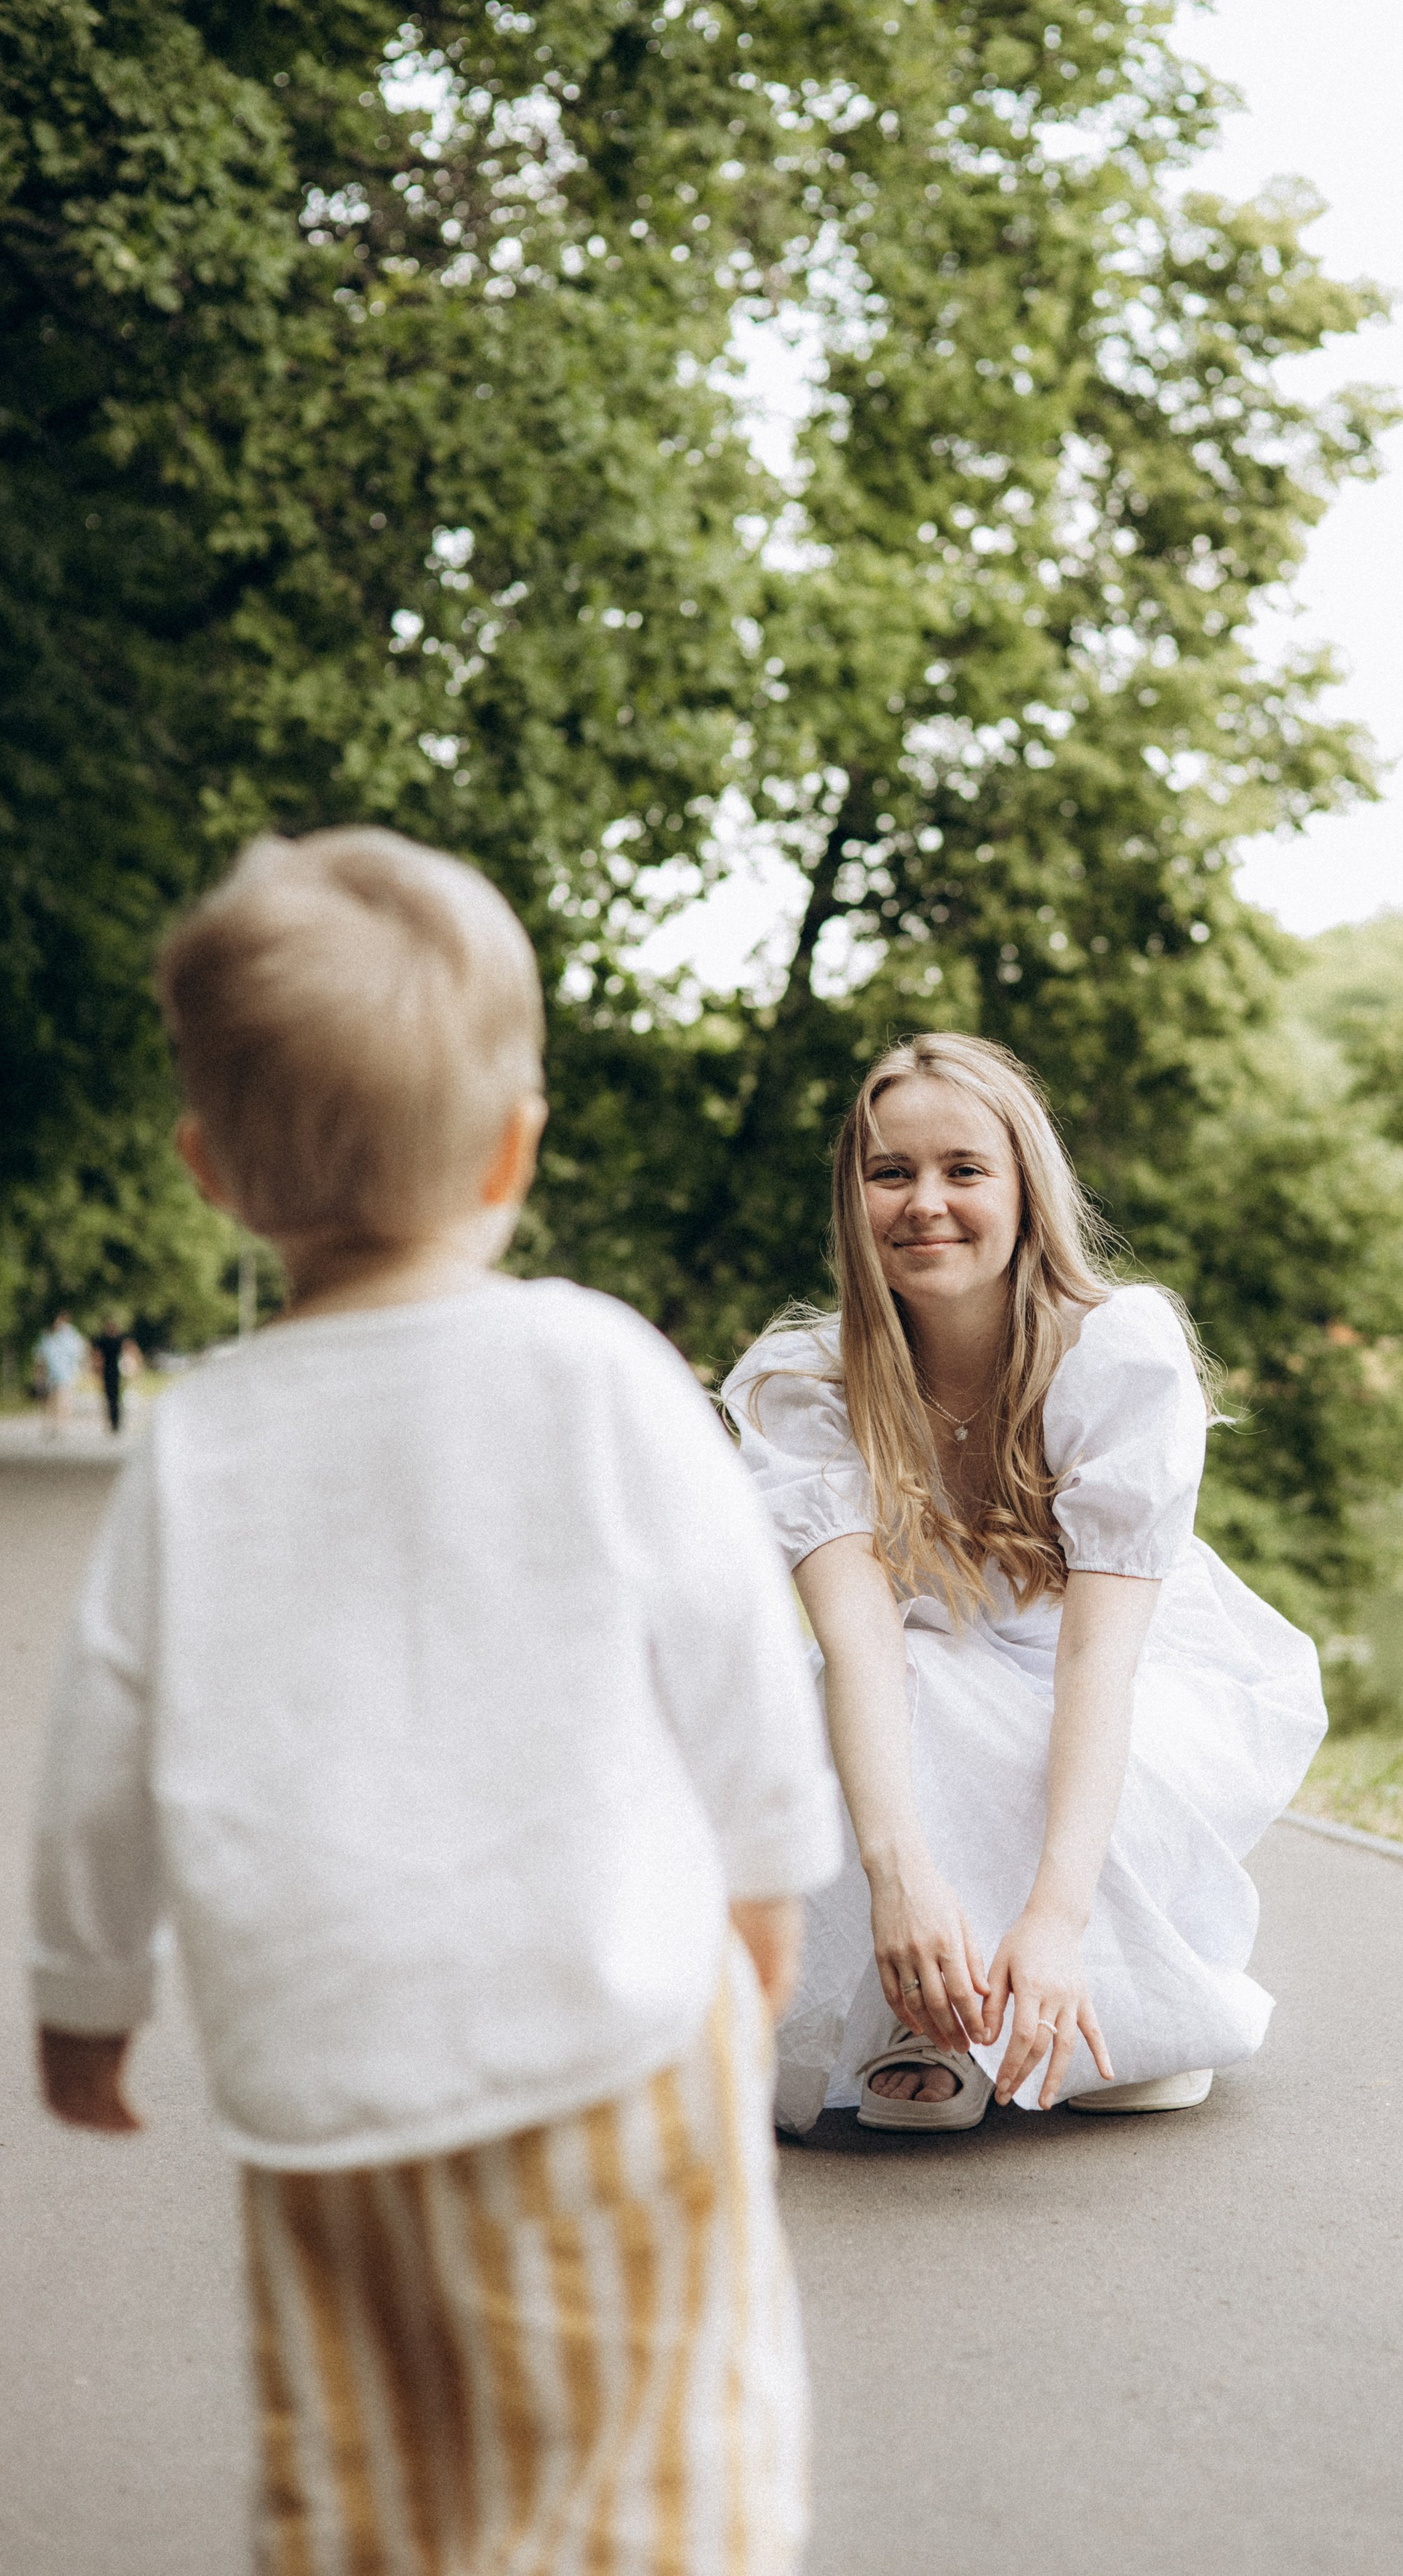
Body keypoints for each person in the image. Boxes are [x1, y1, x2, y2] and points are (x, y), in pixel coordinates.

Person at [31, 828, 839, 2576]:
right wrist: (765, 1901)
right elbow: (739, 1665)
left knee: (372, 2477)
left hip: (324, 2083)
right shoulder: (593, 1367)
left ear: (209, 1172)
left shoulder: (204, 1439)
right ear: (514, 1147)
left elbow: (102, 1745)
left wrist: (82, 1999)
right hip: (609, 2034)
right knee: (655, 2449)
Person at [723, 1032, 1328, 2137]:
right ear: (853, 1197)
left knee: (1012, 1719)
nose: (925, 1203)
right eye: (889, 1172)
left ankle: (1115, 2003)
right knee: (899, 1683)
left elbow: (1100, 1660)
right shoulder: (807, 1385)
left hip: (1124, 1673)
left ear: (1024, 1188)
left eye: (964, 1170)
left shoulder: (1114, 1354)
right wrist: (898, 1878)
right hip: (920, 1668)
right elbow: (857, 1645)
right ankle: (930, 2015)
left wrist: (1053, 1914)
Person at [32, 1310, 87, 1438]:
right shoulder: (46, 1336)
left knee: (63, 1400)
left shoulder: (70, 1335)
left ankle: (60, 1427)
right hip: (50, 1375)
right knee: (49, 1401)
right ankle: (50, 1425)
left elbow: (78, 1353)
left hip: (66, 1374)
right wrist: (39, 1375)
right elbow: (41, 1357)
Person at [91, 1317, 134, 1435]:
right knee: (109, 1398)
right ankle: (112, 1422)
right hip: (107, 1371)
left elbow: (129, 1350)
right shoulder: (103, 1340)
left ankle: (116, 1422)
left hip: (116, 1371)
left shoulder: (119, 1339)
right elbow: (97, 1355)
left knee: (115, 1398)